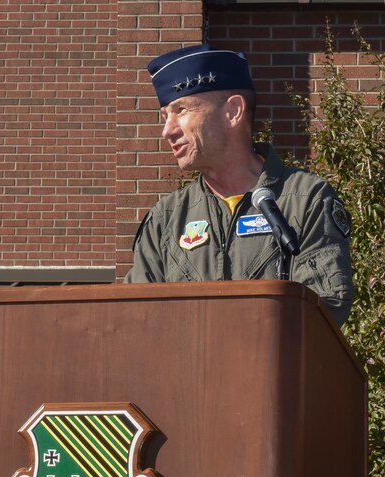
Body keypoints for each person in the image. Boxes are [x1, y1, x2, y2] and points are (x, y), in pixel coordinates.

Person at [126, 44, 354, 326]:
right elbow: (134, 321)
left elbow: (323, 312)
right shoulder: (167, 217)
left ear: (233, 111)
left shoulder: (305, 200)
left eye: (181, 110)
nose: (167, 131)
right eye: (165, 116)